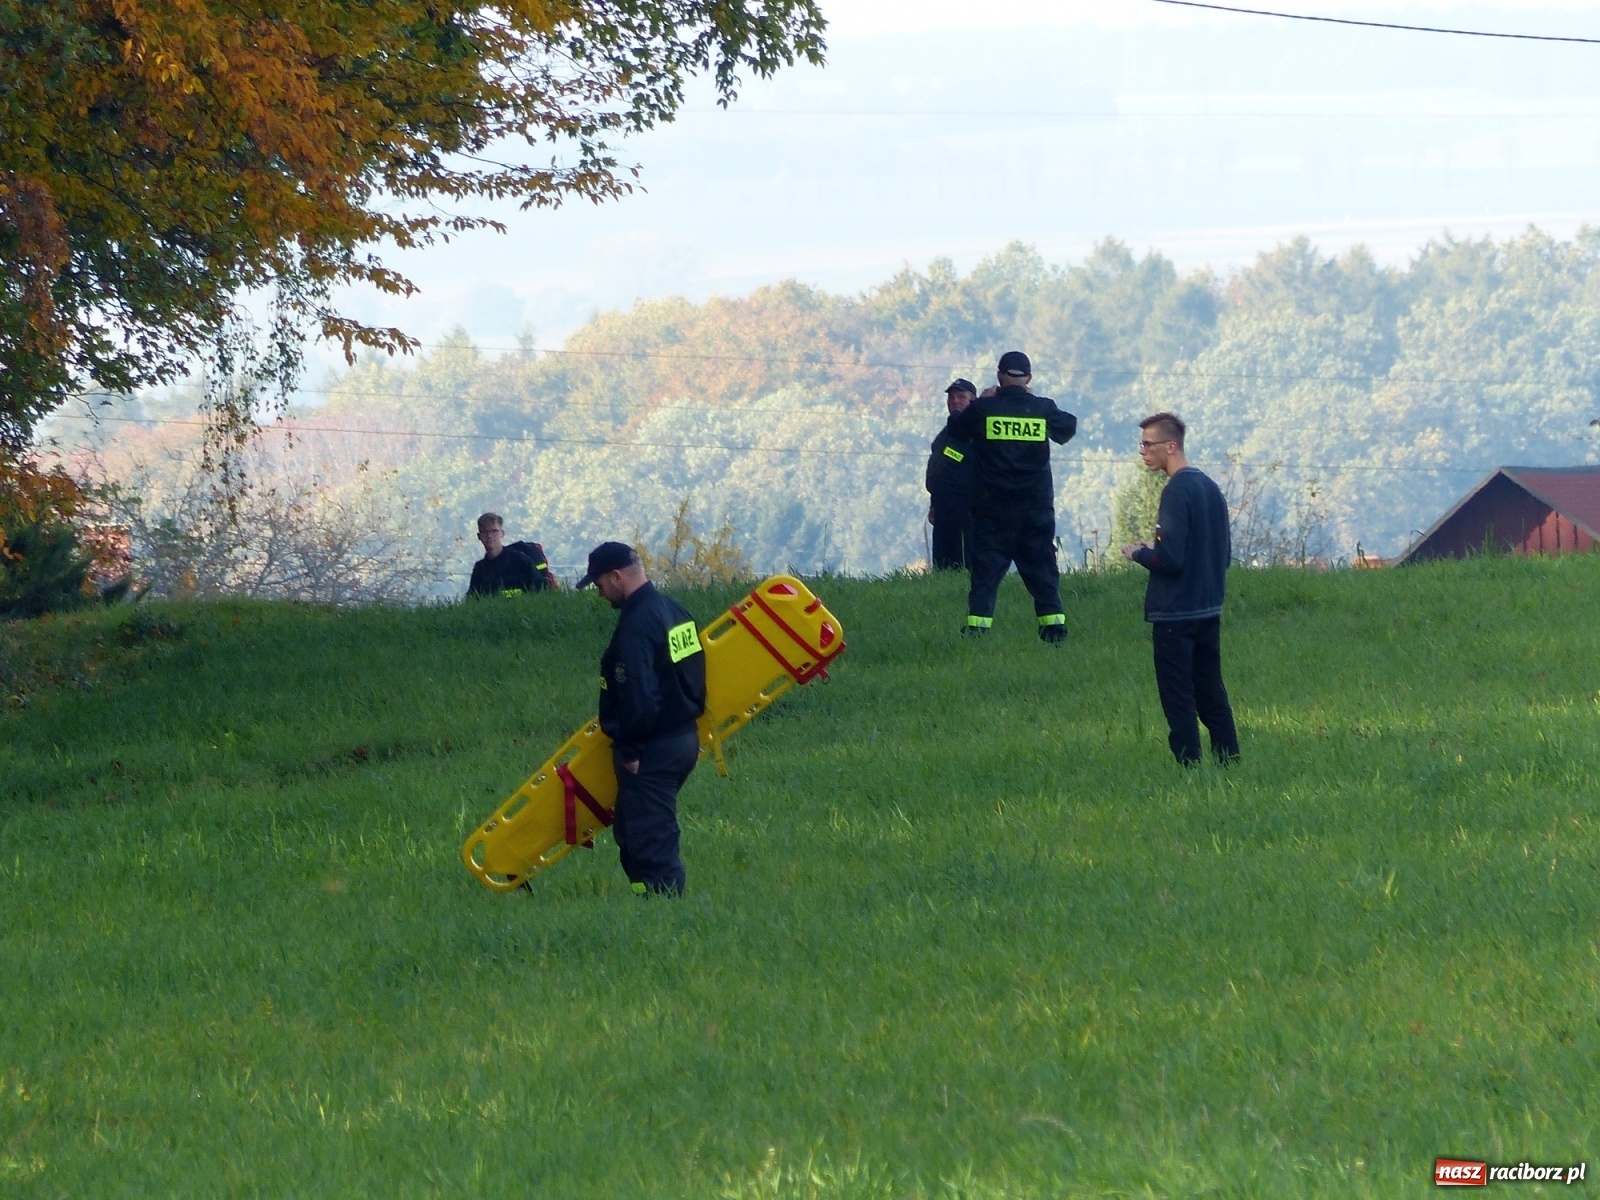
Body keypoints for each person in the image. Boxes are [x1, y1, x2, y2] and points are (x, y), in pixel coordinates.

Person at [578, 541, 707, 895]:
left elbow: (639, 694)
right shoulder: (674, 611)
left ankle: (663, 904)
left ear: (616, 576)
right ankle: (644, 900)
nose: (600, 593)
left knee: (649, 831)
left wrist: (631, 751)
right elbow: (694, 671)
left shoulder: (636, 626)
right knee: (634, 827)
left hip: (653, 747)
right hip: (682, 736)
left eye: (599, 584)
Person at [1121, 412, 1240, 766]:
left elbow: (1170, 559)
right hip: (1208, 607)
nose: (1143, 451)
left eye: (1148, 444)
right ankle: (1229, 759)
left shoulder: (1175, 491)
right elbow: (1220, 552)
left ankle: (1189, 767)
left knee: (1178, 697)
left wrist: (1140, 553)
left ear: (1171, 447)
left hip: (1175, 612)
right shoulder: (1209, 487)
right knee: (1211, 691)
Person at [946, 350, 1077, 642]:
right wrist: (1034, 400)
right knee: (1042, 570)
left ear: (999, 377)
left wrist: (982, 401)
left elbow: (955, 430)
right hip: (1035, 509)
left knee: (985, 573)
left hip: (993, 509)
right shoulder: (1042, 409)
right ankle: (1054, 629)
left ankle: (978, 630)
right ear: (1029, 378)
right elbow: (1068, 427)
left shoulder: (984, 410)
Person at [926, 378, 977, 570]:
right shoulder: (945, 433)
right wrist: (934, 504)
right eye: (951, 397)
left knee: (965, 561)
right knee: (942, 564)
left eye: (961, 397)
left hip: (967, 510)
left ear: (973, 400)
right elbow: (939, 471)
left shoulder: (975, 433)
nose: (955, 401)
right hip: (943, 509)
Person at [467, 512, 537, 597]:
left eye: (494, 531)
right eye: (485, 532)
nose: (489, 536)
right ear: (479, 536)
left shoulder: (521, 561)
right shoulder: (479, 569)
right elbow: (472, 600)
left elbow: (540, 590)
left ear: (502, 533)